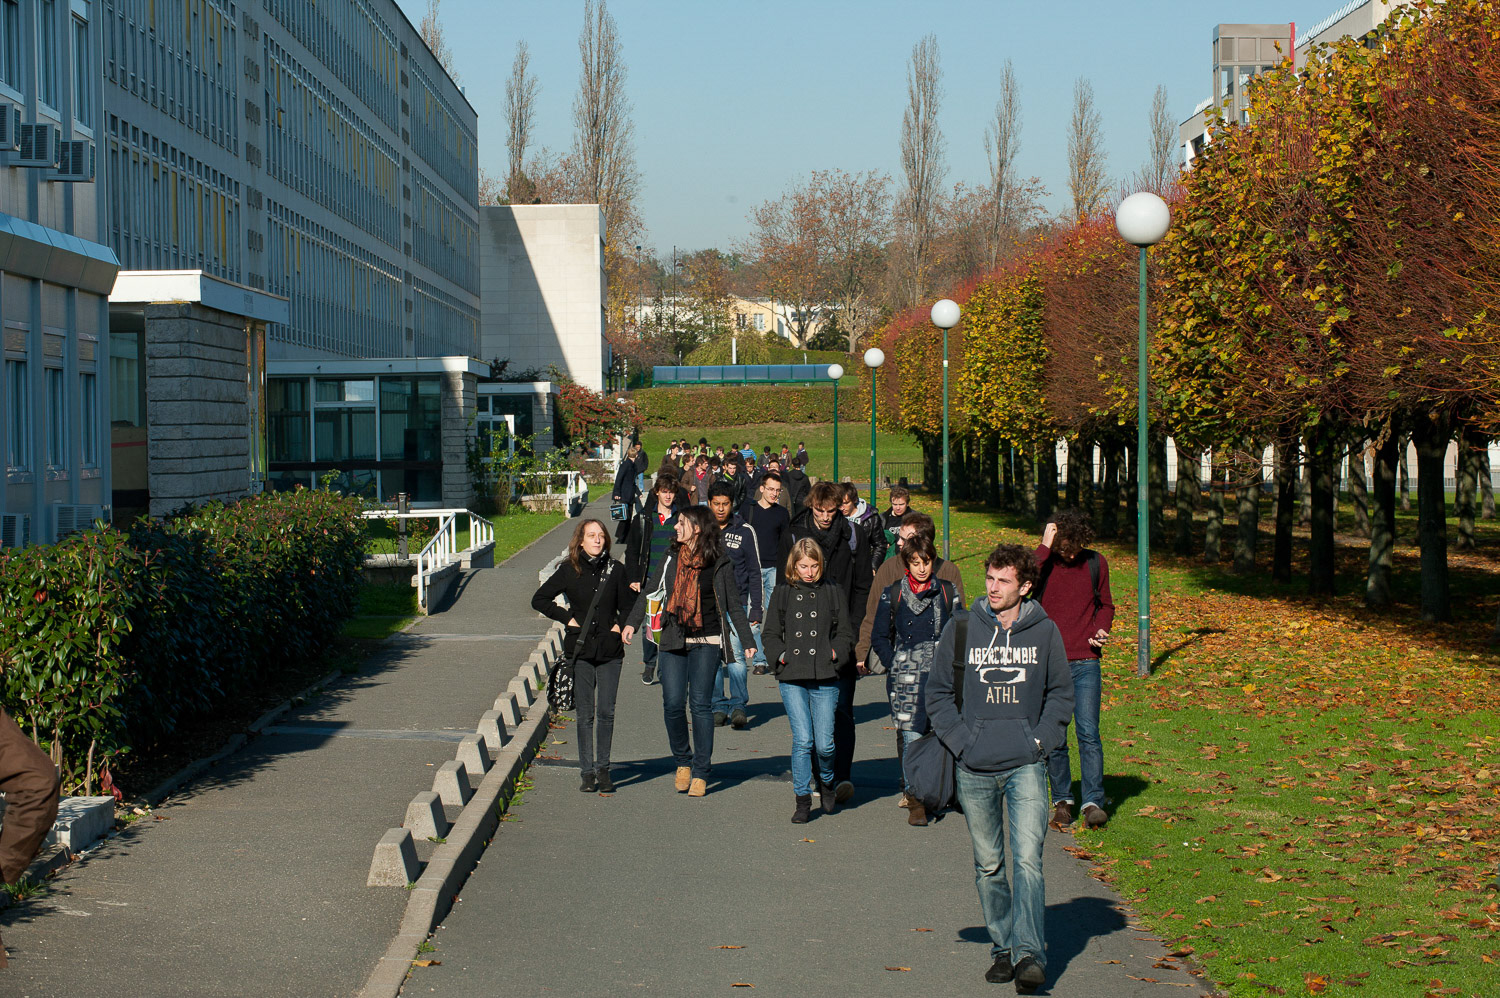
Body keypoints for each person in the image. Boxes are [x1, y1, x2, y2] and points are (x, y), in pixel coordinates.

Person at [928, 544, 1073, 991]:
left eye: (1003, 581)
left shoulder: (1044, 631)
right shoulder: (962, 626)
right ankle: (1003, 948)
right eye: (989, 578)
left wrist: (1038, 742)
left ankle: (1029, 955)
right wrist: (963, 743)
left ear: (1025, 586)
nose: (992, 588)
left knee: (1028, 861)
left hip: (1025, 765)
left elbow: (1061, 695)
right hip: (974, 767)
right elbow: (937, 694)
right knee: (989, 865)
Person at [622, 506, 756, 797]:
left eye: (681, 522)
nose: (675, 526)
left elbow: (733, 604)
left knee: (700, 705)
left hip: (707, 640)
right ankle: (683, 761)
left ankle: (701, 770)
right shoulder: (672, 556)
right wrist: (631, 622)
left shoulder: (720, 561)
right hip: (673, 636)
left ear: (697, 528)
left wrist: (747, 640)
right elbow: (650, 590)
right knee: (672, 703)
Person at [776, 481, 873, 803]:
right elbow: (782, 588)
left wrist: (854, 634)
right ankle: (817, 777)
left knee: (841, 710)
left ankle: (840, 776)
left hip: (841, 635)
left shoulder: (853, 535)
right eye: (820, 511)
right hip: (803, 640)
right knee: (808, 721)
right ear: (811, 506)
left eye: (832, 511)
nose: (826, 517)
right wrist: (782, 645)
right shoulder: (794, 534)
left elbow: (863, 586)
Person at [531, 519, 631, 793]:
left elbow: (629, 604)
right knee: (586, 713)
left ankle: (604, 770)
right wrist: (568, 618)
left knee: (606, 712)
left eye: (601, 536)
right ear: (581, 541)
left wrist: (619, 625)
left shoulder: (616, 570)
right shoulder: (569, 570)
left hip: (610, 650)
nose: (597, 540)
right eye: (591, 535)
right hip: (581, 649)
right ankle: (587, 773)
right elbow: (539, 599)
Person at [869, 534, 959, 826]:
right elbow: (879, 635)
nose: (922, 568)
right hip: (905, 678)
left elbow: (960, 630)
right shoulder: (893, 592)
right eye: (916, 562)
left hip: (941, 675)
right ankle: (915, 798)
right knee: (911, 737)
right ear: (907, 563)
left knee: (941, 733)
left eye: (927, 562)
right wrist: (894, 662)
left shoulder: (947, 591)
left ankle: (942, 790)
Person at [1034, 509, 1115, 830]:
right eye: (1064, 547)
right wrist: (1044, 546)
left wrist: (1101, 628)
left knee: (1089, 734)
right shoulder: (1044, 563)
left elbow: (1105, 604)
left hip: (1086, 662)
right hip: (1049, 663)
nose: (1069, 554)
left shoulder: (1096, 563)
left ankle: (1093, 801)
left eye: (1075, 547)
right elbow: (1022, 582)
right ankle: (1062, 800)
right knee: (1055, 737)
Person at [762, 537, 852, 822]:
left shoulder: (833, 591)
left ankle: (826, 780)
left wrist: (835, 653)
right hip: (792, 674)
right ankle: (802, 799)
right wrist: (781, 656)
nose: (809, 572)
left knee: (824, 744)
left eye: (814, 566)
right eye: (803, 566)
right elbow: (770, 633)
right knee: (803, 740)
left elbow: (845, 633)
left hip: (825, 672)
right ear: (794, 565)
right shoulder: (783, 592)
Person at [855, 511, 966, 669]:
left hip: (940, 663)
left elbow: (959, 622)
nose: (898, 543)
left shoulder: (948, 571)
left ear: (923, 542)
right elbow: (872, 615)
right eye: (899, 537)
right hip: (901, 661)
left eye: (904, 539)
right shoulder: (889, 568)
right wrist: (863, 654)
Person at [707, 482, 763, 729]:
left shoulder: (745, 531)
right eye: (716, 504)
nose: (721, 509)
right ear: (709, 503)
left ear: (732, 504)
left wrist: (756, 608)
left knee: (736, 656)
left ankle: (738, 704)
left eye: (725, 504)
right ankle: (718, 705)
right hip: (708, 605)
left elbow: (755, 571)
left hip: (737, 604)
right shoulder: (702, 528)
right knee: (712, 658)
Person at [624, 474, 685, 685]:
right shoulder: (644, 518)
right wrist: (634, 577)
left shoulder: (681, 518)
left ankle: (666, 666)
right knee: (649, 624)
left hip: (675, 579)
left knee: (672, 622)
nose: (668, 496)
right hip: (650, 578)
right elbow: (632, 551)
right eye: (664, 492)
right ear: (657, 492)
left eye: (671, 492)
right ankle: (649, 663)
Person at [739, 471, 789, 674]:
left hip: (774, 570)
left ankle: (776, 658)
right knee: (754, 618)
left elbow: (786, 543)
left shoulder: (782, 513)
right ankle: (760, 660)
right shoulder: (748, 509)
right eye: (770, 489)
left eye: (778, 490)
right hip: (753, 570)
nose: (774, 493)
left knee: (776, 616)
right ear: (761, 489)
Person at [839, 482, 886, 577]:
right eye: (839, 504)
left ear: (854, 500)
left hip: (863, 566)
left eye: (846, 503)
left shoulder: (871, 517)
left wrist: (873, 566)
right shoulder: (835, 515)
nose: (842, 508)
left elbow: (880, 544)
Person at [611, 441, 643, 542]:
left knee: (628, 517)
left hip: (630, 494)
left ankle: (625, 537)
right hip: (624, 494)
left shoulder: (633, 466)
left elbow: (632, 482)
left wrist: (638, 492)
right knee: (624, 517)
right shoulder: (625, 465)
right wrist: (616, 493)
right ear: (635, 455)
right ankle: (620, 537)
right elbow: (619, 479)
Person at [881, 486, 912, 559]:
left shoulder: (913, 518)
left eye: (901, 504)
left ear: (907, 504)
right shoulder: (883, 518)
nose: (898, 508)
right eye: (895, 504)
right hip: (887, 557)